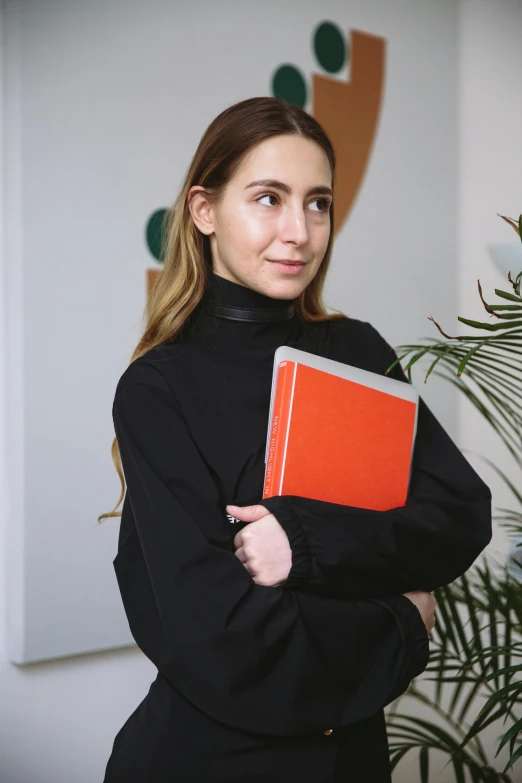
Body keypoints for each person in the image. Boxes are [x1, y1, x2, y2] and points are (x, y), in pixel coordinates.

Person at [100, 97, 492, 783]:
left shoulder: (358, 350)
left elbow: (459, 515)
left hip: (356, 760)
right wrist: (403, 616)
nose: (300, 232)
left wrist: (300, 540)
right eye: (268, 198)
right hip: (208, 763)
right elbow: (224, 641)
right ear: (204, 210)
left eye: (318, 203)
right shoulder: (157, 389)